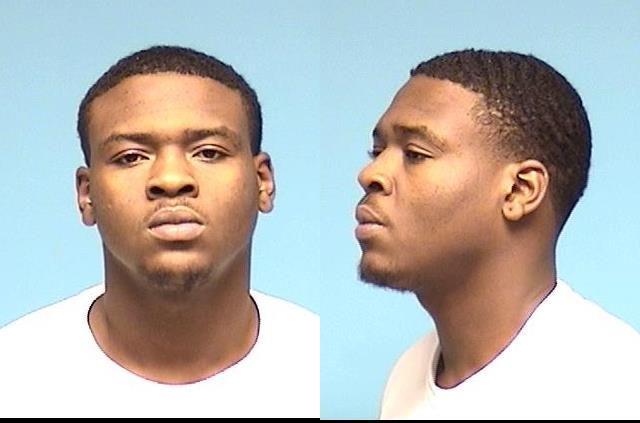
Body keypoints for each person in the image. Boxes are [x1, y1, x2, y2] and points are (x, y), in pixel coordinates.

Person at [0, 46, 319, 418]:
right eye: (131, 157)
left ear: (263, 182)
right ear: (87, 195)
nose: (170, 179)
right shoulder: (12, 377)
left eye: (209, 152)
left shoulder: (314, 364)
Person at [354, 49, 640, 419]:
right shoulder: (408, 375)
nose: (371, 174)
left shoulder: (616, 388)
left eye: (415, 154)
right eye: (377, 151)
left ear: (520, 191)